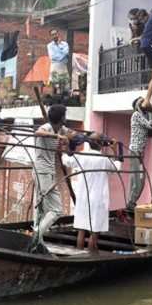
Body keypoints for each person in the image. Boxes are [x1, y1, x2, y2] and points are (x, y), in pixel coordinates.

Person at [62, 133, 121, 251]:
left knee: (81, 230)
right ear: (100, 144)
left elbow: (66, 160)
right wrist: (115, 151)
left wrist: (65, 147)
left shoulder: (82, 156)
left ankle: (78, 255)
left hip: (83, 198)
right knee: (94, 232)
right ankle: (90, 255)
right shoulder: (104, 160)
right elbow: (117, 168)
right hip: (99, 199)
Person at [30, 104, 74, 252]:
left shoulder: (61, 129)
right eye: (65, 116)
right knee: (56, 209)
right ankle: (37, 234)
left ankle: (38, 240)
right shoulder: (47, 128)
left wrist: (67, 141)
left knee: (41, 206)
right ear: (61, 117)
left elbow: (71, 139)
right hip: (42, 171)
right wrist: (56, 136)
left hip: (46, 171)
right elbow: (38, 133)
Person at [126, 83, 152, 212]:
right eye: (142, 102)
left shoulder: (143, 114)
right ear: (138, 106)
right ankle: (131, 203)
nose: (146, 102)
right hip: (135, 152)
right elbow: (151, 125)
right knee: (138, 179)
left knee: (138, 179)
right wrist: (151, 113)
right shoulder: (136, 116)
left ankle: (131, 202)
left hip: (138, 153)